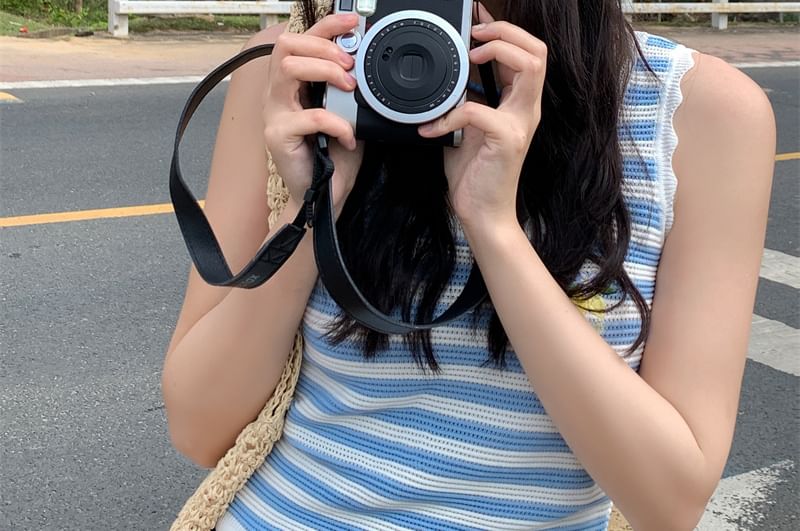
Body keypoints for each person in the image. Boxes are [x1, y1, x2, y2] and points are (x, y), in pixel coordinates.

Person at [162, 0, 775, 529]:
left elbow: (669, 502)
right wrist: (310, 209)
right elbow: (198, 425)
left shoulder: (703, 114)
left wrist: (494, 229)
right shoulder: (300, 69)